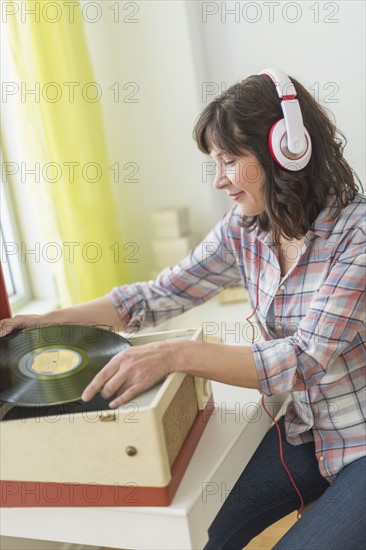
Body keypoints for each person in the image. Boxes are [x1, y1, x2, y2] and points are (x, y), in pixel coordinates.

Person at [1, 68, 365, 549]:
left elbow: (302, 359)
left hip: (360, 443)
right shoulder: (246, 227)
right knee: (201, 535)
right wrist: (50, 321)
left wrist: (177, 354)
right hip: (305, 432)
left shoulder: (356, 235)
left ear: (287, 150)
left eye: (229, 160)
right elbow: (160, 294)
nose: (219, 181)